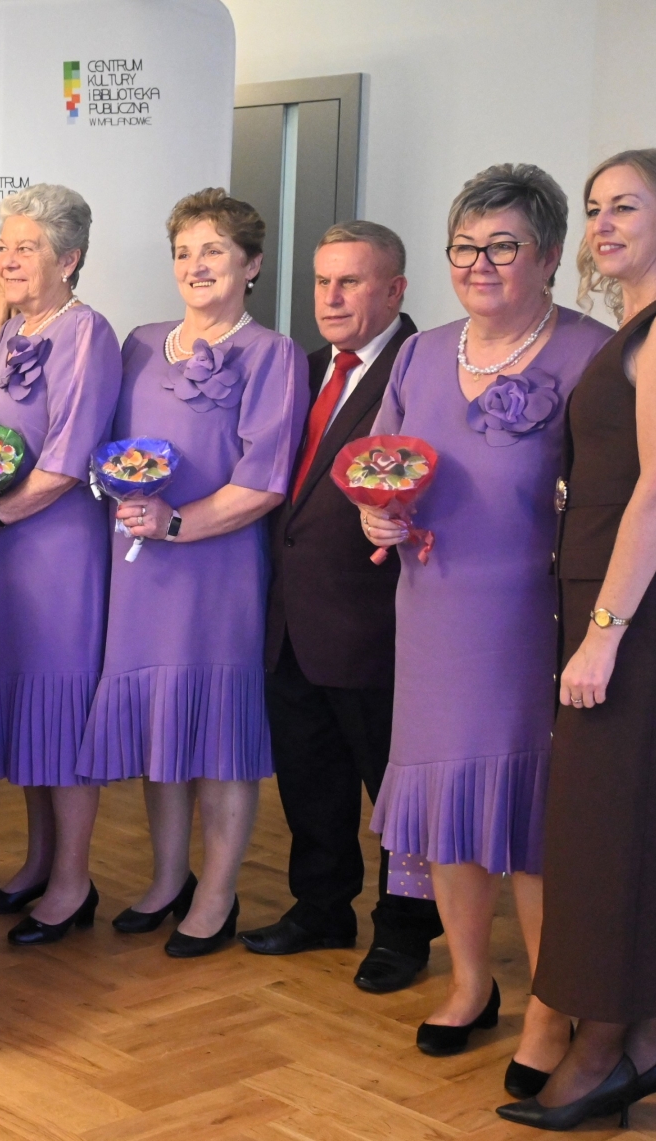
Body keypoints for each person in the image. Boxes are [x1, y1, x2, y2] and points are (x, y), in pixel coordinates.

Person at [356, 166, 613, 1075]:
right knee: (446, 812)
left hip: (533, 619)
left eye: (503, 246)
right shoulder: (422, 354)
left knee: (532, 821)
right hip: (430, 613)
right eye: (464, 247)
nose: (479, 264)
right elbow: (379, 463)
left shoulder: (591, 352)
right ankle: (471, 983)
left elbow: (648, 477)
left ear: (548, 256)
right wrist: (375, 515)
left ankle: (550, 1005)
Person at [500, 149, 656, 1131]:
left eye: (623, 206)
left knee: (613, 841)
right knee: (626, 832)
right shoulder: (648, 324)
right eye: (593, 207)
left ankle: (602, 1052)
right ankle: (645, 1043)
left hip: (637, 621)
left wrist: (601, 636)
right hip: (622, 610)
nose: (600, 223)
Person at [79, 189, 305, 956]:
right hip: (138, 570)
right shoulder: (139, 343)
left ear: (251, 264)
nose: (195, 265)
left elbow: (264, 480)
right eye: (183, 251)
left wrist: (176, 523)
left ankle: (216, 894)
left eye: (213, 250)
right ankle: (167, 877)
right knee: (160, 724)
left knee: (217, 735)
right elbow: (106, 450)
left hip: (217, 570)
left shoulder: (271, 354)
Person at [243, 222, 439, 994]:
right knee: (310, 778)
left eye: (349, 282)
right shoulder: (304, 368)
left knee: (394, 792)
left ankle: (404, 931)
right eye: (321, 281)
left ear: (394, 290)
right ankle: (320, 908)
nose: (329, 297)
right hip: (293, 618)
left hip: (378, 621)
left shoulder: (421, 367)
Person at [0, 184, 123, 945]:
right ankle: (39, 864)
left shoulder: (86, 332)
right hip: (8, 552)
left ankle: (73, 883)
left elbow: (65, 463)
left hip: (58, 551)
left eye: (28, 248)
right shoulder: (18, 327)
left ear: (70, 259)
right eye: (5, 247)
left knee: (61, 710)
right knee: (24, 706)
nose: (10, 260)